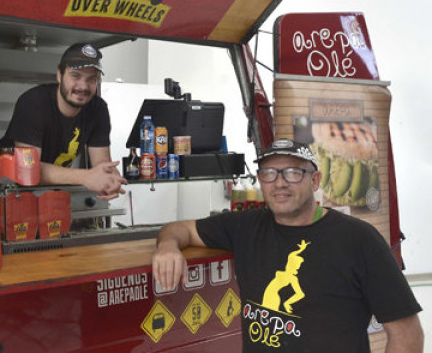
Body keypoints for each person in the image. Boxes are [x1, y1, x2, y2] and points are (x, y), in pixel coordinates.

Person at [151, 139, 423, 351]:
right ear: (261, 181)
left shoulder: (358, 239)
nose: (279, 183)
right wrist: (167, 247)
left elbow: (407, 334)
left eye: (293, 173)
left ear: (314, 180)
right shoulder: (244, 227)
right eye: (269, 173)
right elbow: (179, 229)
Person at [0, 43, 126, 200]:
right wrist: (86, 177)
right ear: (59, 75)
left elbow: (102, 163)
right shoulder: (33, 102)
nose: (83, 86)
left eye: (91, 79)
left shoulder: (98, 109)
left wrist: (111, 178)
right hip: (6, 195)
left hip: (51, 194)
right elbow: (27, 169)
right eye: (75, 76)